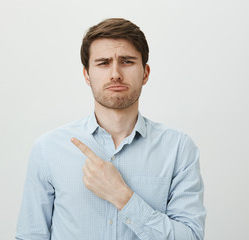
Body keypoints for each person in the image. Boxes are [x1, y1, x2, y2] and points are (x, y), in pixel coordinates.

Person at [15, 18, 206, 240]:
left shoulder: (179, 149)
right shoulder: (48, 149)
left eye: (126, 61)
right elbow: (30, 236)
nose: (115, 73)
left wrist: (123, 197)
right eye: (103, 63)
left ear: (145, 73)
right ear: (87, 74)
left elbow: (191, 237)